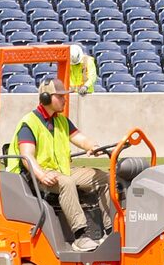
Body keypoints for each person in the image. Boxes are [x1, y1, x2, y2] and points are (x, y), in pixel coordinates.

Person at [13, 75, 108, 241]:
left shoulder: (62, 121)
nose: (65, 99)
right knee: (67, 183)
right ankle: (81, 235)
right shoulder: (29, 123)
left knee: (105, 178)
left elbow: (81, 139)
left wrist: (93, 146)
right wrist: (42, 174)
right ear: (46, 97)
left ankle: (111, 229)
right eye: (61, 96)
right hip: (41, 176)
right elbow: (26, 156)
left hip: (63, 171)